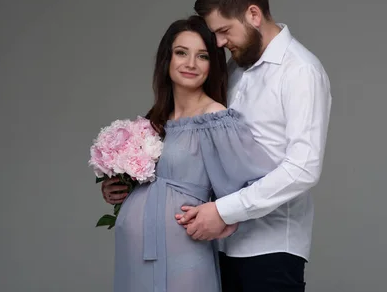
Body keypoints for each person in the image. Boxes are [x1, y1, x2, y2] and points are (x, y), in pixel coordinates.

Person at [174, 0, 332, 291]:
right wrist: (134, 183)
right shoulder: (235, 68)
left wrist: (224, 211)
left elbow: (303, 168)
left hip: (271, 250)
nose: (218, 43)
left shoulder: (300, 71)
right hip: (216, 248)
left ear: (254, 14)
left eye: (224, 31)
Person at [101, 15, 276, 292]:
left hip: (183, 251)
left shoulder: (215, 118)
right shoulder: (155, 121)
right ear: (167, 59)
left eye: (203, 56)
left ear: (212, 65)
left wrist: (223, 218)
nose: (191, 64)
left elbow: (255, 183)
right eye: (181, 53)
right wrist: (120, 188)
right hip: (134, 254)